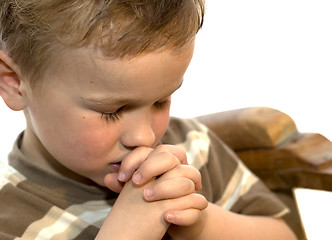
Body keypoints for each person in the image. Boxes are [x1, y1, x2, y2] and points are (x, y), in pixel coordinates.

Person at [0, 0, 297, 239]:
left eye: (160, 101)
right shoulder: (8, 219)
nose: (145, 137)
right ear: (13, 82)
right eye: (111, 111)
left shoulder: (194, 146)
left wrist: (201, 225)